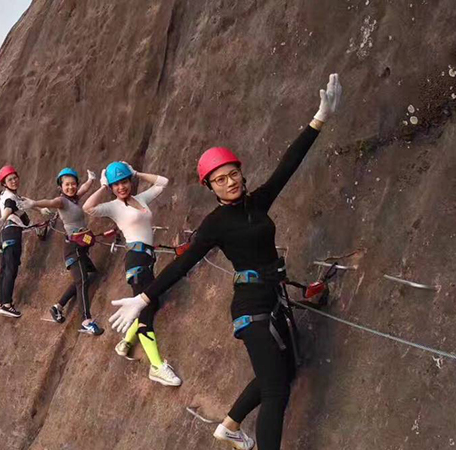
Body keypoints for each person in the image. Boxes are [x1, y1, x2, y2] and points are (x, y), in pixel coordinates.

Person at [108, 74, 343, 450]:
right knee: (277, 390)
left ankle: (230, 426)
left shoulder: (257, 202)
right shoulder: (215, 224)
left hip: (273, 298)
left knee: (282, 371)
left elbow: (288, 165)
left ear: (241, 174)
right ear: (210, 187)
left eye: (233, 174)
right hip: (250, 308)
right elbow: (183, 265)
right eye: (219, 180)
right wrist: (144, 298)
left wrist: (319, 119)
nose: (230, 182)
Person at [83, 161, 181, 386]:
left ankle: (125, 343)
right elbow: (88, 207)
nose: (121, 187)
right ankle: (156, 366)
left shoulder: (141, 199)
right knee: (146, 311)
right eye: (116, 184)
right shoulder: (113, 207)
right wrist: (103, 186)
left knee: (151, 303)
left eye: (124, 181)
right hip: (135, 259)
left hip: (147, 258)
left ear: (130, 181)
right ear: (112, 187)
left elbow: (163, 182)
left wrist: (136, 172)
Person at [20, 167, 103, 335]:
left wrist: (91, 180)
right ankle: (86, 321)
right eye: (67, 185)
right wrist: (34, 203)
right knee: (82, 281)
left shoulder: (74, 198)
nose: (71, 187)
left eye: (73, 184)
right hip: (73, 248)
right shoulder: (62, 201)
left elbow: (83, 189)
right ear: (61, 186)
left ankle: (57, 307)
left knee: (84, 277)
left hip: (81, 245)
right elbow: (50, 202)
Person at [0, 165, 33, 318]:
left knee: (4, 270)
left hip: (4, 235)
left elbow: (21, 209)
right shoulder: (10, 197)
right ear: (4, 183)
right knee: (10, 269)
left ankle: (1, 303)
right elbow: (9, 207)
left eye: (15, 178)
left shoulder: (8, 195)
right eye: (10, 180)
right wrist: (3, 218)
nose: (14, 181)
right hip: (12, 234)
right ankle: (7, 305)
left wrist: (39, 212)